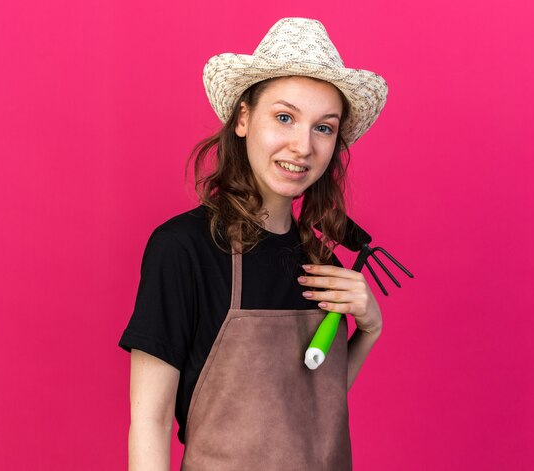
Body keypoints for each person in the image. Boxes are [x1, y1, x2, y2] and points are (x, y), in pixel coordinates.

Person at [118, 17, 388, 470]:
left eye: (323, 127)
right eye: (284, 117)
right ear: (243, 118)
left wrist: (369, 330)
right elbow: (151, 421)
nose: (302, 145)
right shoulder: (182, 249)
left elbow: (310, 410)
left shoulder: (318, 259)